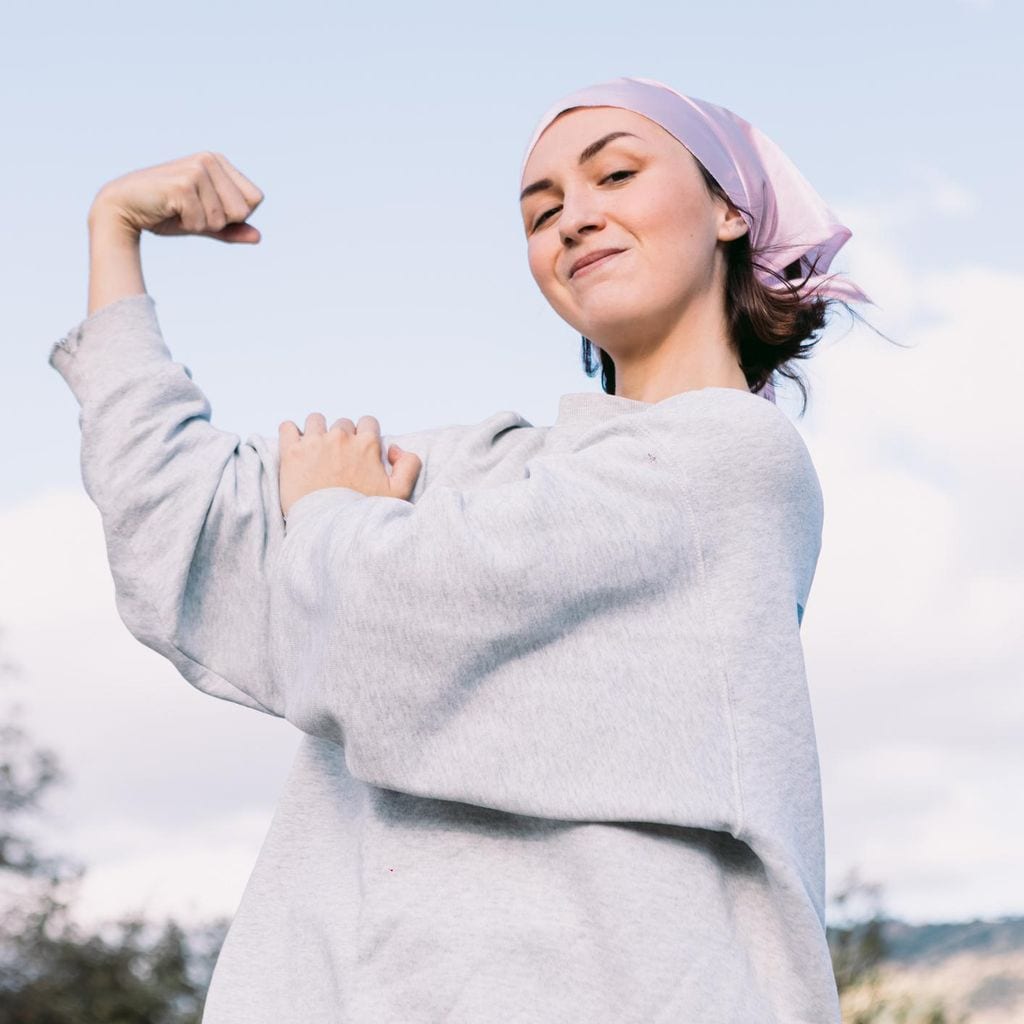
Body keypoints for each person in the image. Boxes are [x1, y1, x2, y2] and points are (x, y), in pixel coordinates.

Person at [48, 76, 874, 1023]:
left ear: (729, 209)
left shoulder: (735, 464)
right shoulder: (469, 476)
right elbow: (179, 524)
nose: (573, 218)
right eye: (542, 209)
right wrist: (114, 233)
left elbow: (397, 615)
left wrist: (330, 516)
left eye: (615, 173)